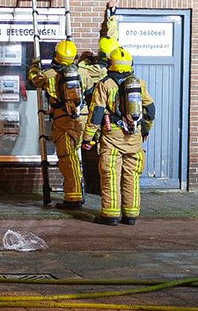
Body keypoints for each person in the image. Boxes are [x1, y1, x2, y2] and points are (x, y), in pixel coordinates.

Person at [82, 47, 156, 226]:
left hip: (112, 136)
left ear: (110, 65)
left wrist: (88, 138)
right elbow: (151, 109)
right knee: (131, 176)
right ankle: (131, 215)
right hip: (134, 137)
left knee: (111, 176)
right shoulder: (139, 83)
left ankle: (110, 215)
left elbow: (96, 113)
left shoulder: (104, 84)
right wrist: (145, 129)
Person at [27, 39, 93, 209]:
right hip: (83, 120)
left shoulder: (49, 75)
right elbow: (91, 92)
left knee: (67, 158)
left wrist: (35, 65)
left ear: (56, 55)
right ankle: (79, 190)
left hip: (63, 121)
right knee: (76, 157)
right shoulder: (84, 73)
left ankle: (74, 197)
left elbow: (34, 79)